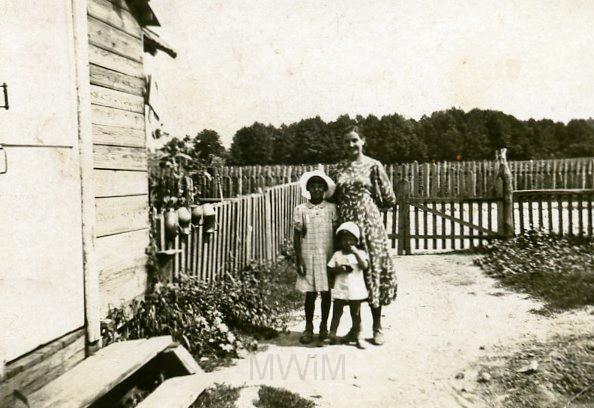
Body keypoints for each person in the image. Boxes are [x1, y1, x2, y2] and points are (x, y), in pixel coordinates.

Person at [330, 125, 398, 346]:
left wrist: (368, 208)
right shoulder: (338, 169)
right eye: (346, 141)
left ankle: (377, 327)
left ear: (363, 141)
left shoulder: (373, 165)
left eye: (354, 140)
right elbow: (333, 198)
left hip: (369, 228)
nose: (350, 145)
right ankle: (355, 328)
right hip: (346, 229)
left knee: (372, 272)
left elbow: (389, 198)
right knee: (351, 275)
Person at [293, 169, 338, 344]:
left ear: (325, 189)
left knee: (326, 293)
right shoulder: (301, 209)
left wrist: (336, 257)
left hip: (327, 255)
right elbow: (297, 235)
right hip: (308, 255)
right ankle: (308, 327)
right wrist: (299, 259)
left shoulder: (332, 209)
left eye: (320, 186)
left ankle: (324, 327)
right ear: (308, 189)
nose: (317, 189)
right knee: (310, 294)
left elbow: (336, 233)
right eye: (313, 186)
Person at [325, 222, 369, 349]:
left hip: (355, 289)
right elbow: (330, 268)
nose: (347, 242)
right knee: (337, 312)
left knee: (356, 314)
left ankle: (359, 335)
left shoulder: (360, 253)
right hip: (341, 288)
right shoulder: (337, 254)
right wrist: (339, 269)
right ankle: (332, 334)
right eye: (344, 239)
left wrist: (355, 253)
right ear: (340, 241)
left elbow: (365, 266)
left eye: (351, 239)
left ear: (356, 241)